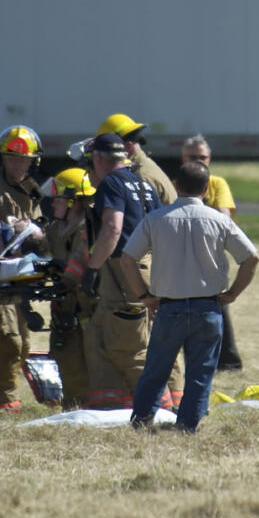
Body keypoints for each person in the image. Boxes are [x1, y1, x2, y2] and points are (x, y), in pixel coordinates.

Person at [122, 160, 259, 432]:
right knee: (201, 373)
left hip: (168, 308)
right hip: (207, 307)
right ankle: (188, 425)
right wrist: (232, 293)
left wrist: (143, 294)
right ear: (207, 189)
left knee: (156, 369)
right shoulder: (220, 220)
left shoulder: (155, 220)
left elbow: (127, 258)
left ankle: (141, 421)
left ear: (175, 186)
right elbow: (251, 257)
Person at [81, 132, 165, 409]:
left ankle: (156, 409)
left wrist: (92, 268)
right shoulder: (143, 184)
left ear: (98, 158)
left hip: (122, 271)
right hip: (148, 266)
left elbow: (113, 228)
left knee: (129, 346)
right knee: (101, 332)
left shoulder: (111, 184)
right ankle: (112, 405)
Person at [0, 125, 47, 412]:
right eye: (12, 158)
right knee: (9, 340)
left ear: (33, 161)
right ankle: (5, 401)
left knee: (23, 342)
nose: (18, 164)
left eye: (24, 159)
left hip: (22, 277)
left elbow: (41, 225)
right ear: (2, 157)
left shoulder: (31, 188)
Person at [180, 134, 243, 371]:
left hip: (208, 252)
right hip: (183, 251)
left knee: (217, 305)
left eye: (202, 157)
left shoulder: (217, 183)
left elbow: (223, 216)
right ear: (182, 157)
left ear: (210, 158)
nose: (198, 161)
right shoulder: (176, 182)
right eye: (192, 157)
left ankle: (228, 360)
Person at [42, 167, 95, 409]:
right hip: (65, 308)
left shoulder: (89, 230)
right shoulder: (57, 229)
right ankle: (73, 407)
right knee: (66, 358)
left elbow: (77, 267)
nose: (53, 204)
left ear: (75, 202)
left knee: (87, 358)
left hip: (87, 310)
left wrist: (62, 285)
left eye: (59, 200)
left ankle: (88, 407)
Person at [96, 114, 176, 207]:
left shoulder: (141, 176)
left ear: (128, 146)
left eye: (109, 151)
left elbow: (142, 216)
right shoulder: (143, 167)